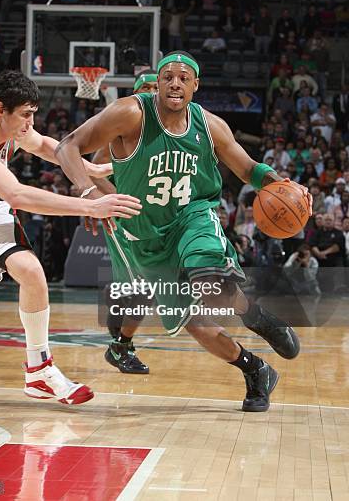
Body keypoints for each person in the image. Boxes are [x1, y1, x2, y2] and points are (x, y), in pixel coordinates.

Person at [56, 52, 312, 413]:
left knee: (210, 278)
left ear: (195, 85)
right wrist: (88, 194)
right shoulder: (130, 114)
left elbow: (248, 169)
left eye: (183, 78)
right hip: (145, 236)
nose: (175, 83)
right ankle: (256, 369)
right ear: (157, 83)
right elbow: (68, 146)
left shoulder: (210, 125)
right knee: (194, 323)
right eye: (168, 77)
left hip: (193, 217)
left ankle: (263, 321)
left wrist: (277, 183)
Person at [0, 71, 142, 405]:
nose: (30, 122)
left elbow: (46, 146)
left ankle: (39, 371)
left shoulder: (12, 127)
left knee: (32, 272)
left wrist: (91, 171)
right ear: (0, 109)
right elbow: (17, 195)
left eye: (34, 114)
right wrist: (90, 206)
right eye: (26, 114)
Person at [91, 69, 158, 374]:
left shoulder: (165, 130)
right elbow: (93, 172)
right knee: (147, 285)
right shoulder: (122, 127)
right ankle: (121, 349)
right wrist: (116, 199)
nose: (152, 91)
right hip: (123, 216)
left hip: (152, 218)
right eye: (145, 86)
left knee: (141, 285)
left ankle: (116, 304)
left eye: (155, 87)